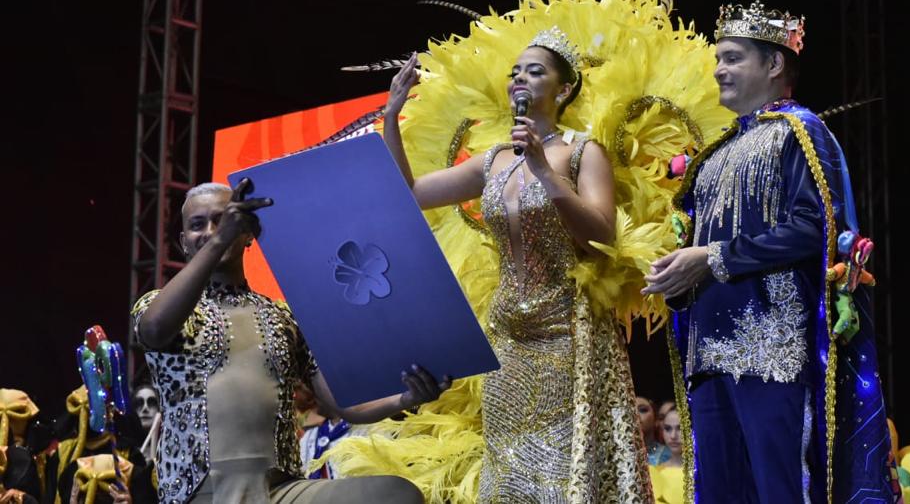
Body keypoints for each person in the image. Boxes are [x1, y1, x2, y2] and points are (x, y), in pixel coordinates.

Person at [379, 27, 652, 502]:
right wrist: (391, 118)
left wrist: (546, 171)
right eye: (514, 72)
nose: (519, 79)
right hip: (508, 339)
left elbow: (602, 236)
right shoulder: (494, 160)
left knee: (561, 471)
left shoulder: (584, 152)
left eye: (535, 71)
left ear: (564, 89)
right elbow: (410, 195)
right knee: (508, 470)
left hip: (566, 332)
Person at [644, 0, 894, 503]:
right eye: (719, 58)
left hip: (771, 350)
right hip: (708, 354)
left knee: (779, 489)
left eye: (733, 58)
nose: (719, 70)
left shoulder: (797, 132)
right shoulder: (712, 155)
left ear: (774, 63)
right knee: (718, 489)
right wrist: (676, 273)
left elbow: (813, 227)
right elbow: (692, 242)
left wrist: (711, 258)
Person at [132, 181, 447, 504]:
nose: (212, 230)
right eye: (198, 225)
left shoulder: (283, 316)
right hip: (201, 493)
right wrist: (221, 239)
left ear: (249, 232)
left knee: (397, 494)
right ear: (184, 242)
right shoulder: (157, 305)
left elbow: (345, 405)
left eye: (223, 220)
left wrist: (404, 399)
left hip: (279, 491)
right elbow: (154, 330)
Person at [648, 408, 685, 504]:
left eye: (680, 428)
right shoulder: (651, 473)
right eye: (668, 429)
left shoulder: (703, 473)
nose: (673, 436)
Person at [635, 397, 669, 466]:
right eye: (630, 410)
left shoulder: (669, 455)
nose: (636, 414)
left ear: (656, 419)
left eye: (642, 410)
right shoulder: (619, 454)